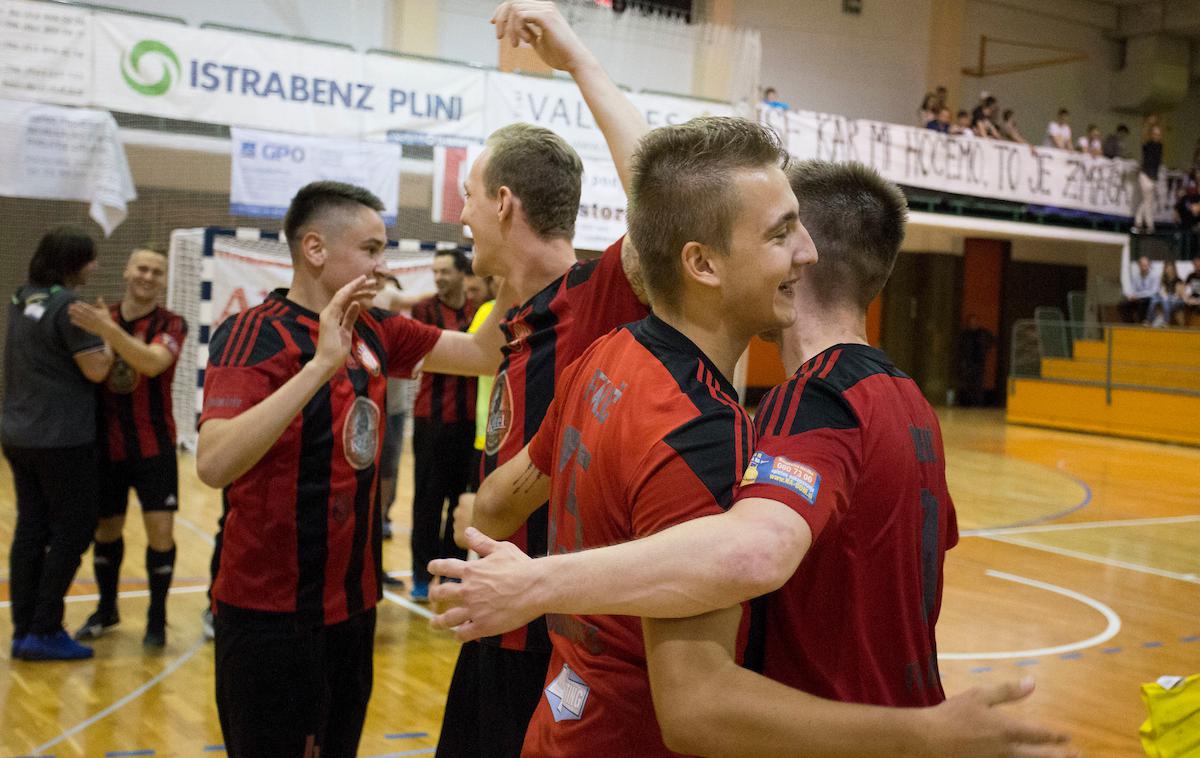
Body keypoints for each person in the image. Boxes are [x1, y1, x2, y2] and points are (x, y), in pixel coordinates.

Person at [430, 160, 1074, 758]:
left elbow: (747, 566)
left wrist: (534, 580)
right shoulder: (910, 403)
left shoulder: (791, 402)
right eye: (778, 232)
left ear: (806, 258)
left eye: (789, 231)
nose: (796, 250)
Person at [195, 180, 509, 756]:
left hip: (354, 608)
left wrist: (513, 262)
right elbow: (214, 463)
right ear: (315, 249)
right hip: (270, 616)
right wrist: (318, 367)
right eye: (370, 249)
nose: (383, 265)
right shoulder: (253, 333)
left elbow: (483, 351)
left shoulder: (378, 329)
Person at [433, 4, 651, 755]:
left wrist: (579, 61)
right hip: (497, 619)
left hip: (560, 643)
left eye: (468, 196)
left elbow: (663, 197)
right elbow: (445, 351)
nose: (459, 214)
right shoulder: (511, 317)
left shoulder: (598, 295)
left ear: (502, 203)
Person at [68, 247, 188, 649]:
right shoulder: (104, 317)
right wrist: (105, 329)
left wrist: (109, 332)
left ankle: (157, 619)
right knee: (107, 530)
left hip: (154, 446)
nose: (148, 276)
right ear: (126, 271)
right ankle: (106, 609)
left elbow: (152, 363)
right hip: (105, 446)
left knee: (161, 533)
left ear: (164, 280)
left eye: (156, 271)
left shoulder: (172, 323)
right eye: (141, 268)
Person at [4, 228, 113, 661]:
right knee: (75, 528)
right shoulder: (70, 307)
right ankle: (46, 626)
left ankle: (23, 628)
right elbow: (97, 371)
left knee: (31, 528)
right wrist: (105, 333)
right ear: (73, 263)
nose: (96, 266)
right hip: (61, 438)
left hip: (19, 432)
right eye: (90, 259)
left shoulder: (21, 297)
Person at [409, 249, 479, 601]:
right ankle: (421, 575)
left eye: (445, 271)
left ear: (462, 275)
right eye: (435, 271)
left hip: (469, 424)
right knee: (427, 501)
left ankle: (451, 573)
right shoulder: (422, 310)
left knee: (460, 502)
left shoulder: (479, 308)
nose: (438, 277)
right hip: (430, 420)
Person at [956, 314, 995, 406]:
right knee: (968, 383)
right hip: (968, 362)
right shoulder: (965, 334)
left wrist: (986, 349)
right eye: (971, 322)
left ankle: (978, 403)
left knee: (978, 383)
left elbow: (991, 341)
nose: (973, 324)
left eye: (974, 321)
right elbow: (961, 347)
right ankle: (967, 403)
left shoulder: (982, 333)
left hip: (979, 362)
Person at [1135, 125, 1163, 234]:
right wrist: (1146, 125)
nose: (1157, 136)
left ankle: (1139, 222)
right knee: (1148, 201)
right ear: (1152, 135)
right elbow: (1143, 139)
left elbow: (1156, 163)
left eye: (1158, 134)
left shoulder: (1160, 146)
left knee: (1147, 201)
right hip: (1146, 175)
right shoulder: (1148, 144)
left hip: (1152, 176)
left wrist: (1155, 178)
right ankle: (1149, 225)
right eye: (1155, 134)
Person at [1145, 259, 1184, 327]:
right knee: (1154, 299)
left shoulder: (1178, 280)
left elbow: (1178, 295)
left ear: (1174, 269)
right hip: (1165, 298)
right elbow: (1162, 291)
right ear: (1165, 270)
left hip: (1175, 300)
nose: (1169, 270)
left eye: (1171, 268)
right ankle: (1148, 320)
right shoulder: (1163, 280)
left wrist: (1167, 297)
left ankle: (1166, 321)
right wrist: (1163, 295)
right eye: (1167, 268)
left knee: (1165, 301)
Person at [1121, 255, 1159, 323]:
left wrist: (1138, 296)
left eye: (1145, 265)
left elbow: (1153, 292)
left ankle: (1142, 324)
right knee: (1123, 305)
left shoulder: (1154, 275)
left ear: (1149, 265)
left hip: (1149, 298)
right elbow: (1133, 289)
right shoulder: (1136, 276)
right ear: (1139, 266)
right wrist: (1130, 295)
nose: (1144, 268)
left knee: (1143, 303)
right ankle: (1130, 324)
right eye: (1142, 265)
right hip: (1137, 298)